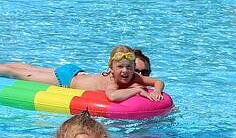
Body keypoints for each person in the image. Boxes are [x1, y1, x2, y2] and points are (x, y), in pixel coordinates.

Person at [0, 45, 165, 102]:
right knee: (20, 74)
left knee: (29, 68)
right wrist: (138, 90)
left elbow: (158, 81)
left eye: (129, 67)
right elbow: (112, 96)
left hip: (77, 71)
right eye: (120, 67)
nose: (126, 71)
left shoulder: (135, 76)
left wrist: (157, 91)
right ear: (111, 68)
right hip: (65, 79)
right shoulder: (112, 82)